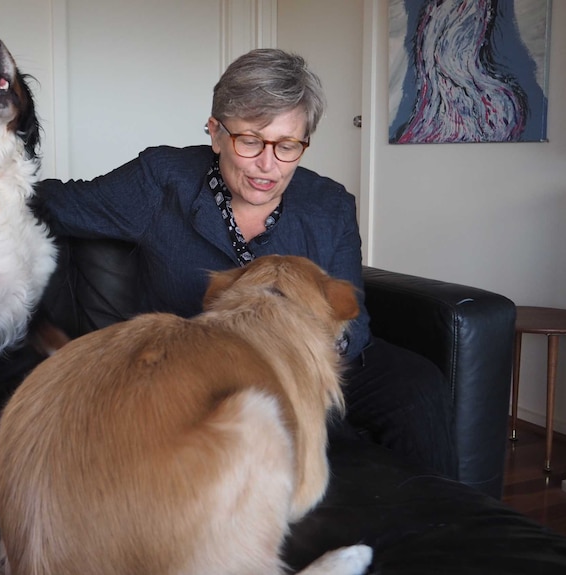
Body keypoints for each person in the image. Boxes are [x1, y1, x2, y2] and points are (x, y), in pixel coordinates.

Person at [33, 48, 458, 479]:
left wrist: (304, 354)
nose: (268, 165)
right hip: (204, 366)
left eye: (288, 145)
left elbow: (354, 320)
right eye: (251, 140)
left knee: (418, 388)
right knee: (279, 425)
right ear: (216, 133)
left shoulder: (329, 204)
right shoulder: (160, 179)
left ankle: (451, 536)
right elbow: (56, 203)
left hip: (308, 362)